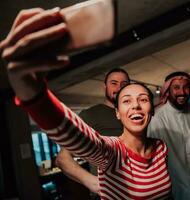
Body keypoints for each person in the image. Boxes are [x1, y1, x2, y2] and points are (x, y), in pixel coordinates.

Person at [1, 8, 172, 199]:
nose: (136, 105)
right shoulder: (112, 152)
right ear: (117, 112)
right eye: (126, 100)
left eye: (143, 100)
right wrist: (33, 94)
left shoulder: (161, 147)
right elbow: (78, 135)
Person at [55, 68, 130, 198]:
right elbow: (63, 158)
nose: (119, 87)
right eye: (114, 83)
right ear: (105, 87)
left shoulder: (134, 114)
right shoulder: (90, 115)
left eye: (124, 84)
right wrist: (95, 184)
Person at [147, 71, 190, 200]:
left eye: (186, 87)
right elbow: (152, 159)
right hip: (174, 185)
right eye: (176, 88)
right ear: (167, 91)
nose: (182, 92)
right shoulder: (157, 118)